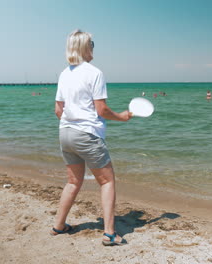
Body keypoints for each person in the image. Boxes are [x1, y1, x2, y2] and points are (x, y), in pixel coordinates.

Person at [51, 29, 132, 246]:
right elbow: (102, 110)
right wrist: (122, 117)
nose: (94, 48)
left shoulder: (64, 73)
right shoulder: (94, 73)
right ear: (85, 47)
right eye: (92, 44)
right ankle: (109, 233)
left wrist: (72, 122)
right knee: (107, 181)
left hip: (65, 133)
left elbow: (58, 110)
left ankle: (59, 225)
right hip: (86, 134)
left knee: (73, 181)